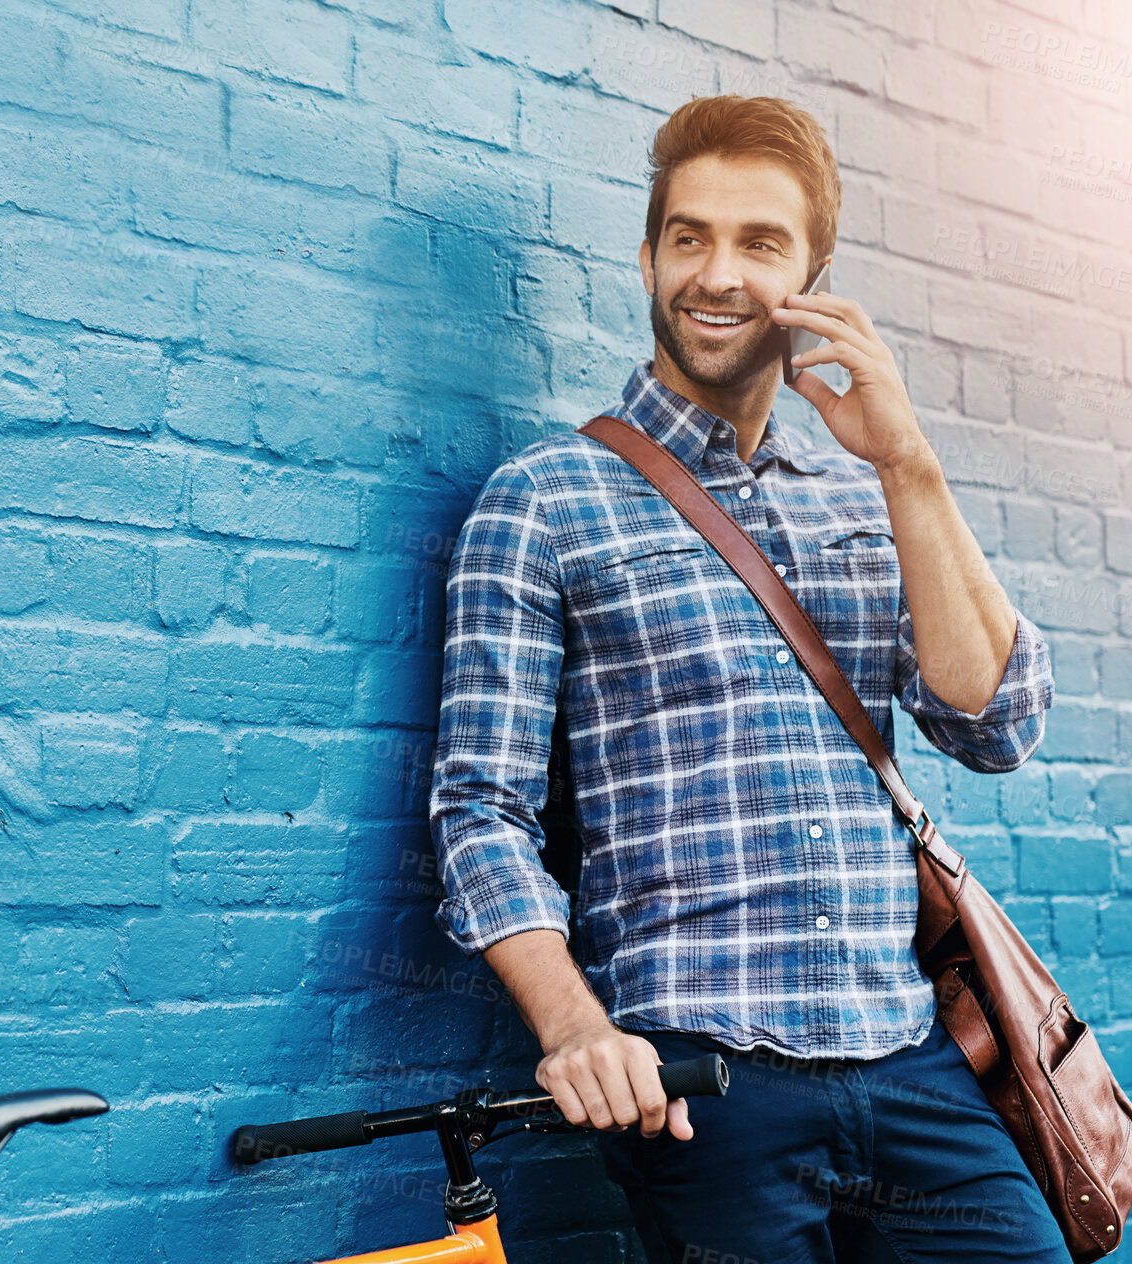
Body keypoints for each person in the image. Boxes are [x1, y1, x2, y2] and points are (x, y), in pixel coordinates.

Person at [427, 95, 1065, 1262]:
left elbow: (996, 724)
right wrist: (577, 1029)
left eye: (760, 243)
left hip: (915, 1062)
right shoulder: (545, 499)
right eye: (689, 237)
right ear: (648, 254)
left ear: (813, 274)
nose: (715, 274)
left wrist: (908, 460)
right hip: (709, 1086)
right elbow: (481, 810)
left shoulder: (865, 496)